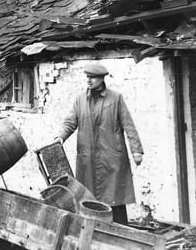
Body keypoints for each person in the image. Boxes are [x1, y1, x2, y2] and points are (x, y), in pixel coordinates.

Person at [55, 63, 143, 225]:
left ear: (102, 79)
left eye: (92, 77)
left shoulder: (116, 99)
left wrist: (136, 150)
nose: (88, 81)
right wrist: (60, 137)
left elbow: (128, 125)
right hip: (87, 158)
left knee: (115, 198)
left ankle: (121, 236)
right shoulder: (80, 100)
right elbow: (70, 122)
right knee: (88, 199)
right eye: (87, 77)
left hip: (111, 157)